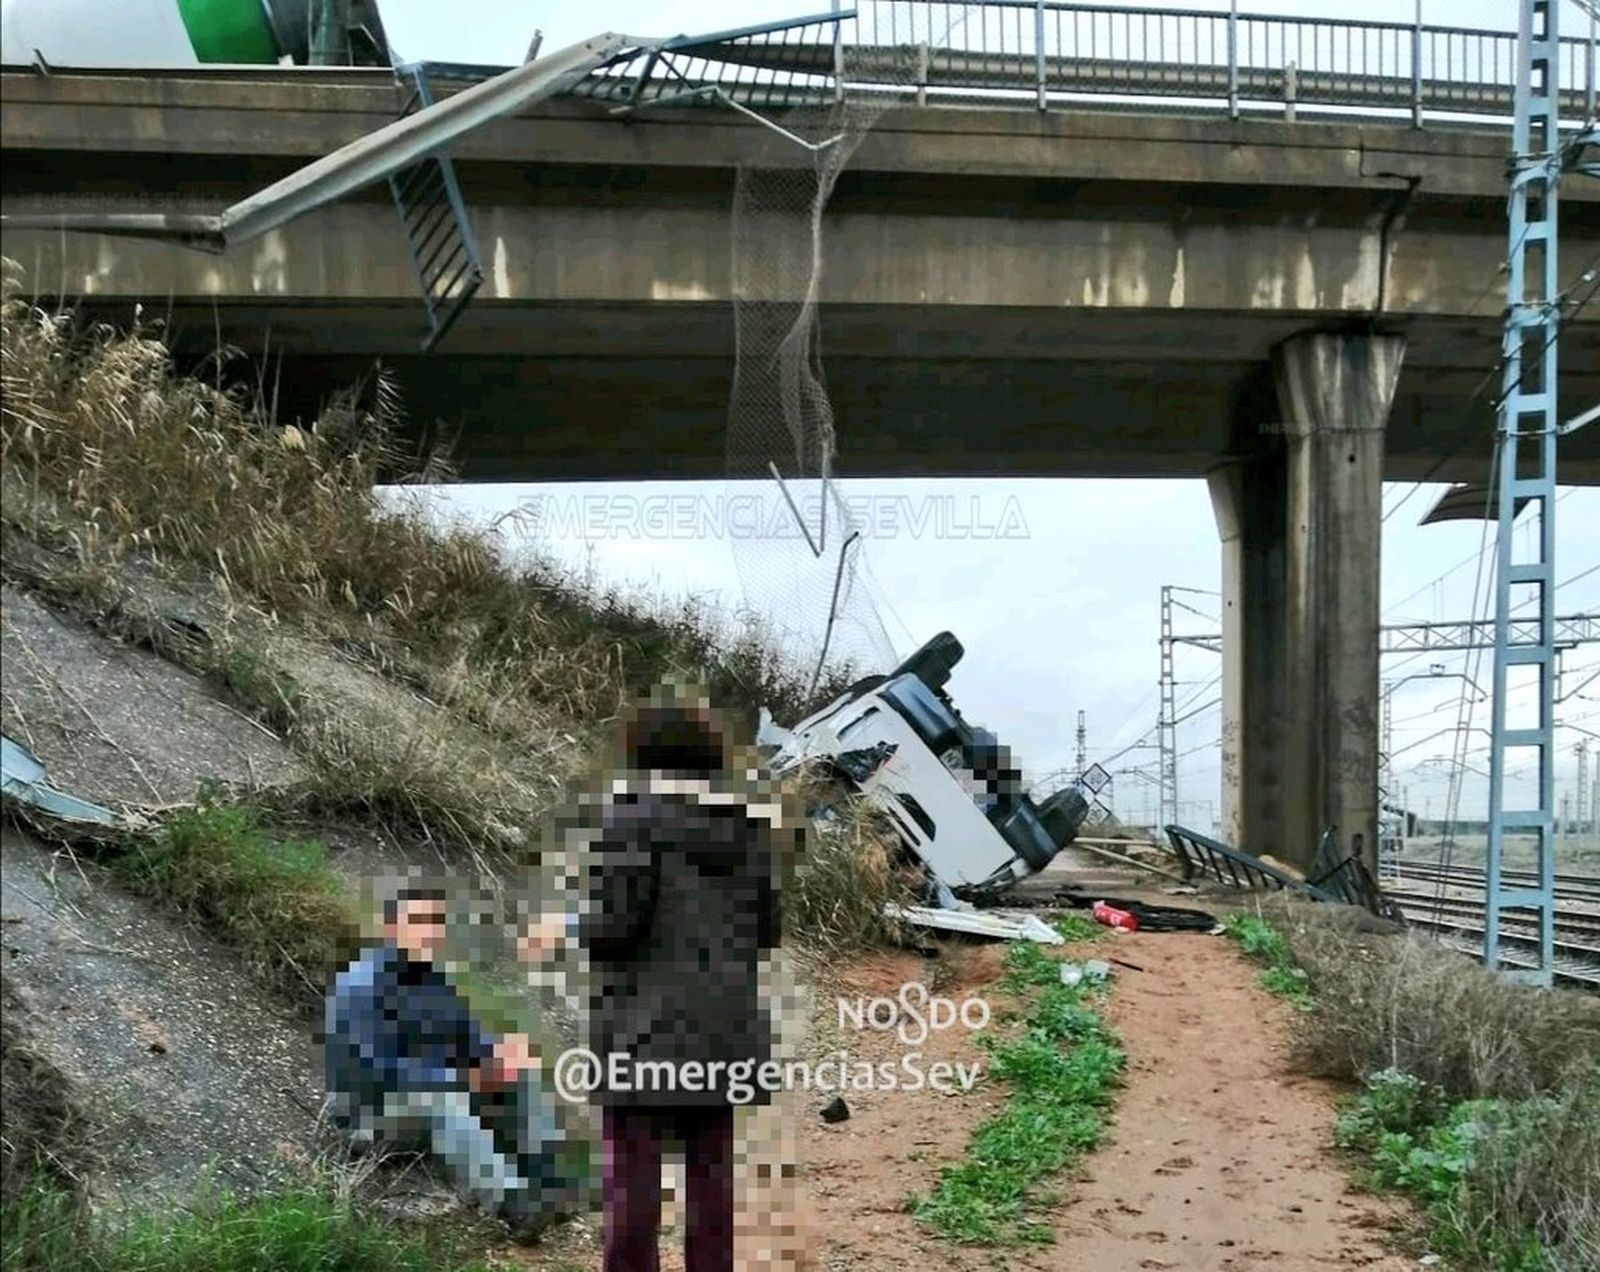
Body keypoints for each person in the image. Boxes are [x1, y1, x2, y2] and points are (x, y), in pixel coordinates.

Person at [520, 692, 787, 1272]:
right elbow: (768, 932)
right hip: (726, 1031)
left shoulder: (631, 820)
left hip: (642, 1031)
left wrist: (561, 925)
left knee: (634, 1182)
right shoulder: (749, 831)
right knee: (710, 1181)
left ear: (642, 751)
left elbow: (614, 925)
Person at [324, 883, 567, 1232]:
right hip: (368, 1114)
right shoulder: (362, 983)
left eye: (436, 921)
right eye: (419, 920)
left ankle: (549, 1189)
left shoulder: (436, 982)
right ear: (391, 928)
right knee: (441, 1097)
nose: (430, 930)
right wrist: (460, 1078)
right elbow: (371, 1069)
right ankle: (513, 1206)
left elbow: (470, 1038)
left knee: (517, 1074)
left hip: (425, 1102)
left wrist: (498, 1056)